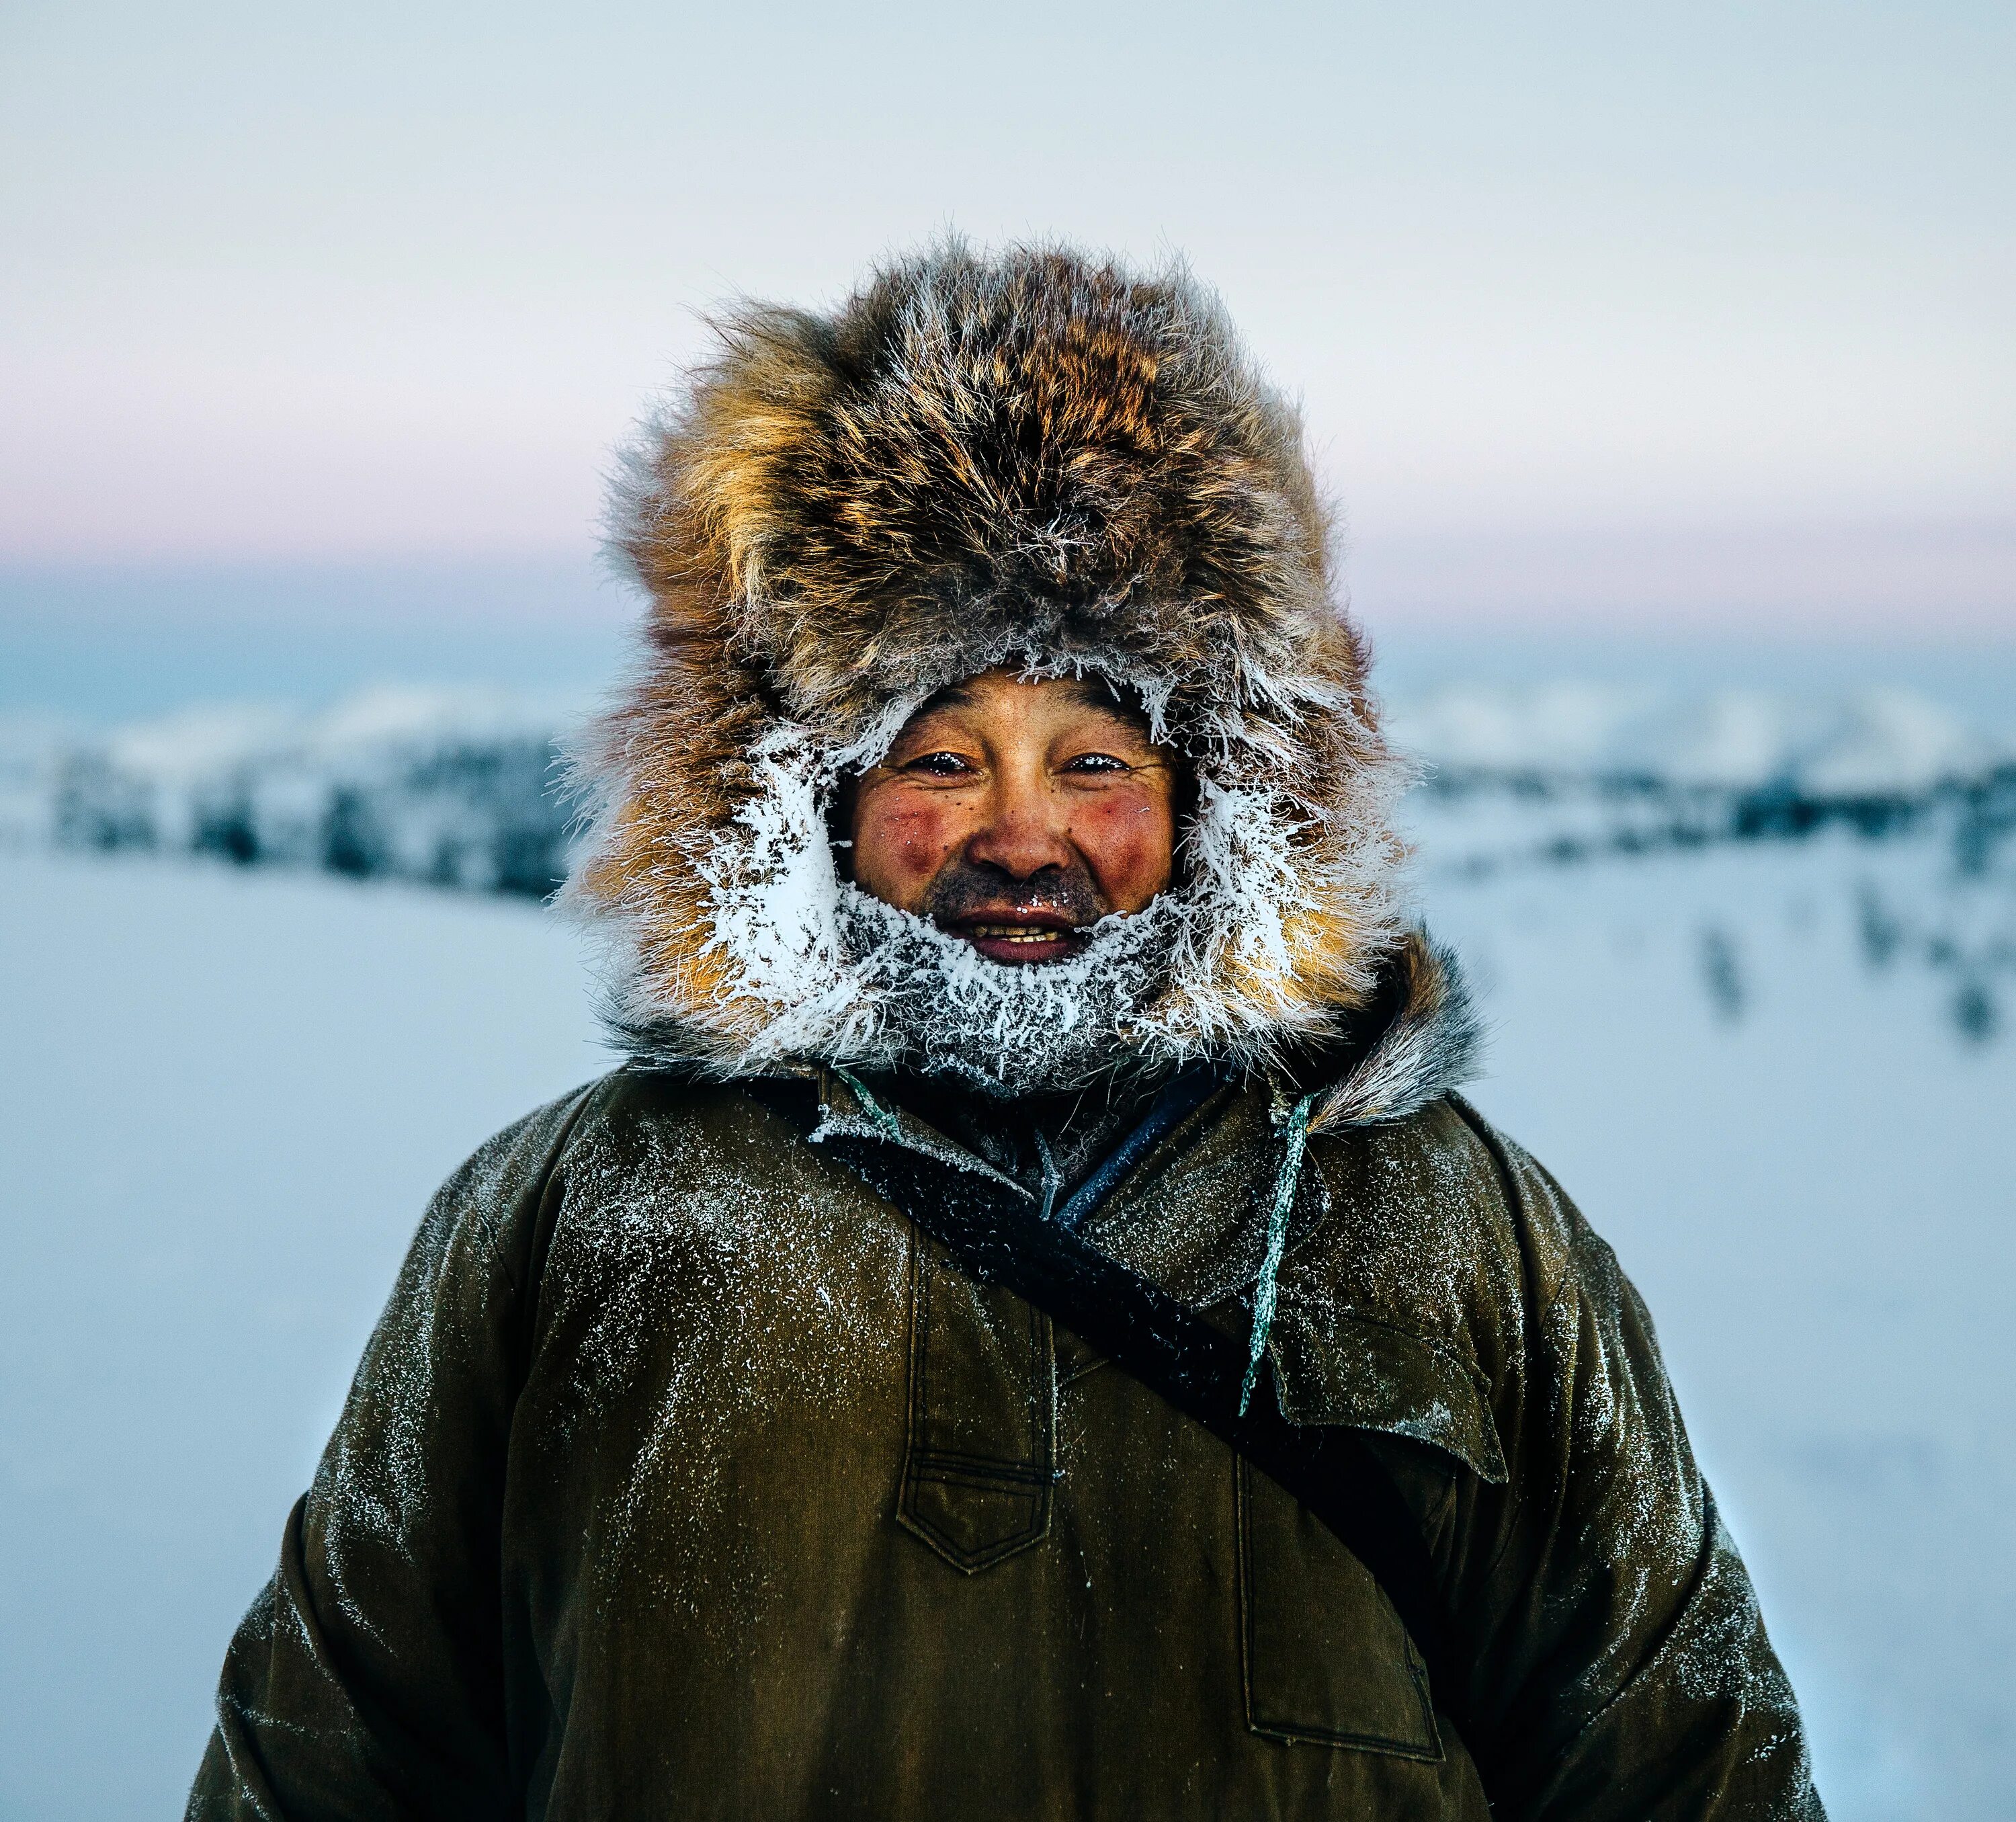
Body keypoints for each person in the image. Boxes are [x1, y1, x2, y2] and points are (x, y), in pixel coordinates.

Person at [189, 243, 1822, 1819]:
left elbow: (1686, 1763)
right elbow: (333, 1752)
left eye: (1100, 763)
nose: (1024, 837)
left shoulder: (1462, 1227)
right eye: (941, 759)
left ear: (1224, 804)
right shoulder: (576, 1216)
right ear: (805, 801)